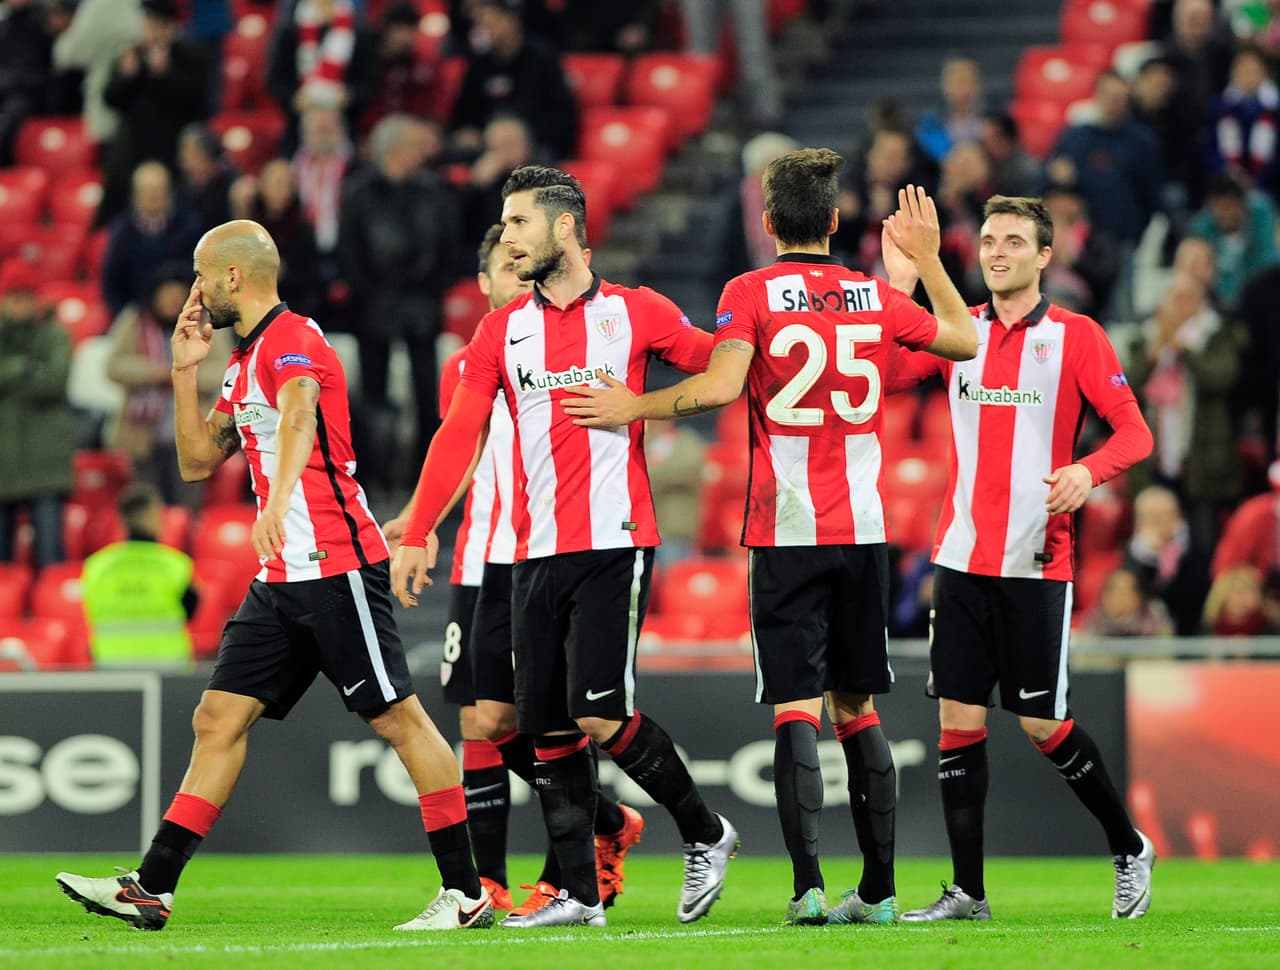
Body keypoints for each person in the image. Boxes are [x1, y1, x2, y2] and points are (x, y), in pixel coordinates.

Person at [563, 157, 980, 926]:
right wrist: (925, 262)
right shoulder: (871, 295)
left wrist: (634, 406)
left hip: (785, 531)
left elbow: (723, 386)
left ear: (766, 224)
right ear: (834, 221)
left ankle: (809, 890)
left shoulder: (749, 292)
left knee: (796, 709)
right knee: (856, 707)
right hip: (864, 530)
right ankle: (881, 894)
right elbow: (962, 339)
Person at [56, 220, 492, 933]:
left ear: (234, 275)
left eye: (203, 275)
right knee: (217, 718)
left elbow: (298, 414)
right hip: (281, 576)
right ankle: (152, 888)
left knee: (400, 721)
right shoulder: (240, 362)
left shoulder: (295, 339)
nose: (196, 291)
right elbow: (198, 461)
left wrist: (279, 498)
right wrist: (183, 370)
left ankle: (466, 894)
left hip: (335, 563)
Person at [391, 166, 737, 928]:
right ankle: (580, 895)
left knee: (599, 715)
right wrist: (418, 530)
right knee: (546, 726)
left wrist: (641, 405)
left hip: (615, 541)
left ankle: (707, 832)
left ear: (565, 228)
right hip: (530, 552)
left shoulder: (637, 312)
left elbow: (724, 368)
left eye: (519, 223)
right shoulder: (500, 331)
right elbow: (459, 433)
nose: (508, 238)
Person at [882, 195, 1157, 922]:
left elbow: (1135, 434)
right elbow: (885, 374)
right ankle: (968, 892)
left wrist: (1086, 471)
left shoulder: (1077, 336)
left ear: (1044, 256)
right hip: (960, 558)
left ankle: (1129, 846)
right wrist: (902, 284)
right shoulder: (958, 329)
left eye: (1014, 241)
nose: (997, 252)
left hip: (1035, 561)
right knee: (958, 722)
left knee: (1041, 725)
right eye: (989, 240)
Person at [385, 224, 645, 918]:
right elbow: (462, 451)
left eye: (521, 262)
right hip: (481, 556)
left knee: (545, 717)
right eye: (505, 266)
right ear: (483, 282)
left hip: (540, 552)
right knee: (482, 721)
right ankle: (514, 868)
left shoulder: (563, 347)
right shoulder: (471, 360)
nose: (517, 275)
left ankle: (571, 869)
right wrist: (420, 521)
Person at [0, 259, 73, 567]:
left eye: (25, 296)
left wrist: (8, 384)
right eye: (12, 297)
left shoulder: (55, 335)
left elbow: (54, 381)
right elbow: (41, 378)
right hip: (4, 464)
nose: (18, 304)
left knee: (50, 558)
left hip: (46, 465)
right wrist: (26, 368)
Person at [81, 482, 198, 666]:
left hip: (112, 665)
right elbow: (191, 610)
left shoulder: (96, 567)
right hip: (167, 666)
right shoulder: (175, 566)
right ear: (151, 516)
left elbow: (89, 610)